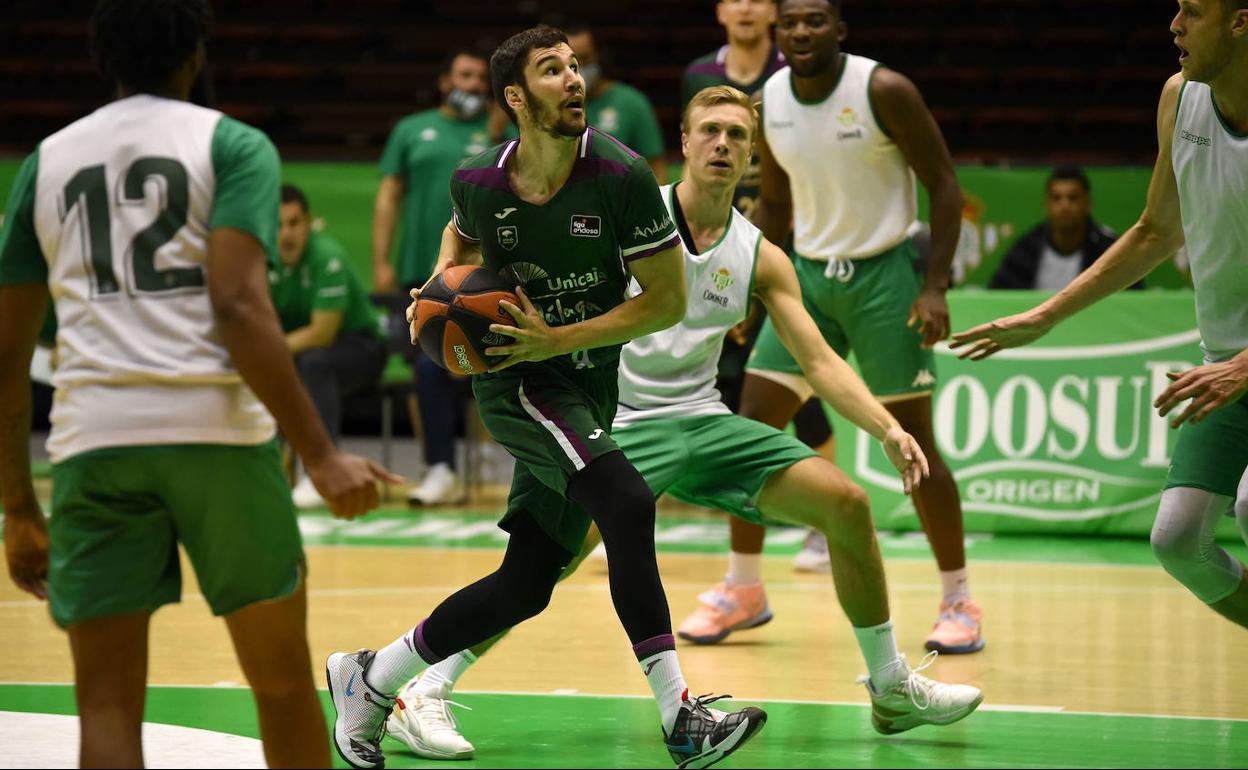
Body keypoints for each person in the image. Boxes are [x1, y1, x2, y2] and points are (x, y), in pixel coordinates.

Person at [383, 86, 984, 762]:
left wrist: (884, 427)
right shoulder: (623, 210)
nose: (723, 143)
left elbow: (818, 360)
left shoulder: (760, 254)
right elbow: (474, 231)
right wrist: (445, 284)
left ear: (753, 155)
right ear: (686, 142)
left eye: (737, 134)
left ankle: (891, 687)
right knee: (546, 565)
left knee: (846, 503)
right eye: (711, 131)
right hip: (618, 420)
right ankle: (422, 689)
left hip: (703, 421)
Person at [325, 27, 767, 770]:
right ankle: (681, 717)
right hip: (516, 378)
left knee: (527, 584)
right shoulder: (479, 182)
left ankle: (370, 678)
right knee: (626, 503)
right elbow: (458, 241)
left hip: (584, 374)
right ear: (515, 97)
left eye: (573, 67)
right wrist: (434, 293)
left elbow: (665, 301)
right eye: (551, 70)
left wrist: (560, 340)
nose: (573, 80)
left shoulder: (620, 174)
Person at [0, 1, 396, 766]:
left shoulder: (44, 163)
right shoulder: (232, 145)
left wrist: (19, 506)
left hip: (95, 444)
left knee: (108, 704)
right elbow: (238, 302)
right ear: (195, 53)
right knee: (279, 685)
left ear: (99, 54)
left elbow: (9, 350)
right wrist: (319, 454)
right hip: (218, 439)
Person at [682, 0, 984, 655]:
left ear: (839, 29)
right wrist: (747, 295)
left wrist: (934, 283)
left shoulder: (883, 89)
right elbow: (780, 204)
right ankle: (743, 588)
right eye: (790, 21)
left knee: (914, 439)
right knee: (749, 430)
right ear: (778, 31)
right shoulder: (769, 99)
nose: (799, 31)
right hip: (808, 280)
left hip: (887, 276)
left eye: (814, 20)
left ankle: (958, 597)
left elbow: (943, 181)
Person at [953, 0, 1248, 628]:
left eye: (1193, 13)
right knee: (1179, 542)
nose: (1174, 27)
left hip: (1242, 367)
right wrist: (1046, 315)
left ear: (1241, 22)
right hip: (1224, 365)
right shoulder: (1180, 98)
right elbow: (1154, 231)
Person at [678, 0, 836, 577]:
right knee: (733, 389)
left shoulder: (789, 74)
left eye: (757, 0)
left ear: (771, 12)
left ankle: (819, 531)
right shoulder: (698, 76)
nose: (746, 9)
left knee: (797, 388)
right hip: (706, 252)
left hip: (773, 249)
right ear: (720, 11)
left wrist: (760, 259)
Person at [374, 49, 493, 505]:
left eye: (482, 77)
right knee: (424, 364)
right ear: (445, 81)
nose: (475, 84)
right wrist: (383, 260)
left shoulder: (499, 135)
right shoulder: (410, 129)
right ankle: (440, 466)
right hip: (418, 275)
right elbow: (389, 197)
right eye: (466, 75)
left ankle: (485, 457)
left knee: (467, 362)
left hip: (481, 279)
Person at [272, 184, 388, 508]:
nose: (286, 234)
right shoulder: (264, 261)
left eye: (294, 223)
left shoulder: (327, 256)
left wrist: (266, 351)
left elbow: (321, 334)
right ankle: (270, 474)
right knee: (276, 371)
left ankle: (319, 473)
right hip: (299, 351)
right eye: (278, 225)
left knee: (312, 363)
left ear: (308, 222)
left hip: (361, 349)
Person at [989, 166, 1123, 291]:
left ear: (1088, 203)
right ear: (1046, 205)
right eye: (1056, 198)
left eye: (1073, 198)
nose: (1064, 206)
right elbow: (998, 295)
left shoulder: (1109, 250)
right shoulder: (1026, 249)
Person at [566, 24, 669, 183]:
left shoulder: (632, 103)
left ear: (599, 55)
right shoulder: (549, 107)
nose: (579, 69)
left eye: (585, 58)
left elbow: (656, 168)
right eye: (572, 62)